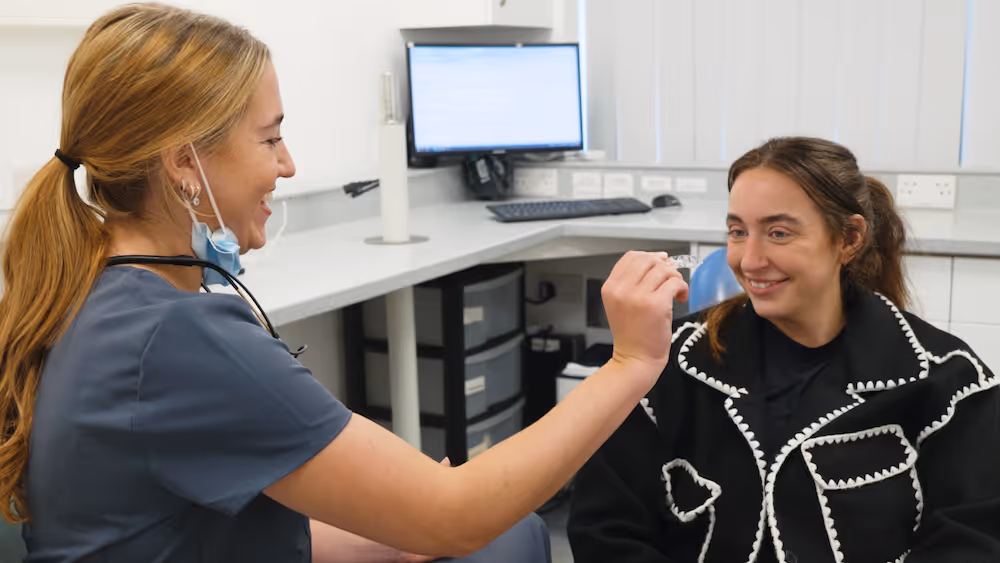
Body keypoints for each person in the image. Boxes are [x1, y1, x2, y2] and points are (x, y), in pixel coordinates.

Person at [0, 4, 690, 563]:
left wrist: (388, 538)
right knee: (504, 537)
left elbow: (199, 524)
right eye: (270, 139)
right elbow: (455, 517)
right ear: (184, 163)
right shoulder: (174, 337)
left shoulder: (85, 285)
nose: (289, 165)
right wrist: (630, 364)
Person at [568, 137, 1000, 563]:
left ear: (849, 238)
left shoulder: (950, 384)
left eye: (778, 233)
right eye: (738, 231)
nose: (750, 260)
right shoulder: (665, 364)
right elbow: (605, 530)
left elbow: (973, 539)